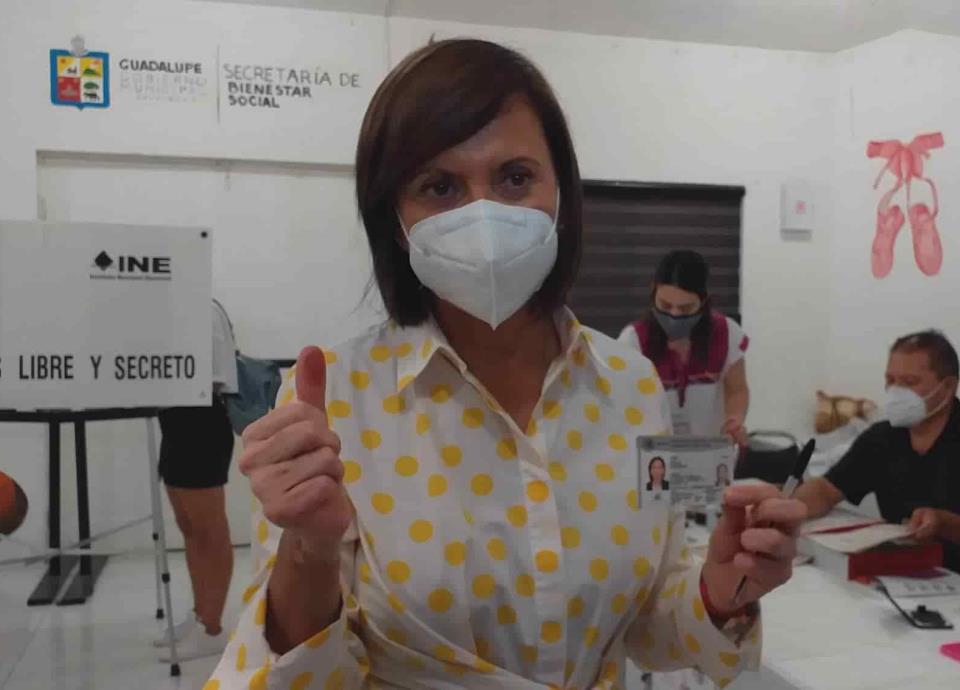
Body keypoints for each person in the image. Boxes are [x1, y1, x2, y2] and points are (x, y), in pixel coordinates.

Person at [208, 39, 805, 689]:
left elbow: (646, 625)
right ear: (396, 220)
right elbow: (302, 676)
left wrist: (719, 590)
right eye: (440, 186)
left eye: (515, 178)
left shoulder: (631, 387)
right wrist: (309, 551)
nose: (483, 216)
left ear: (562, 195)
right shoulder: (337, 401)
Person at [796, 330, 960, 573]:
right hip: (900, 572)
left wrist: (944, 523)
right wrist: (786, 504)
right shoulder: (882, 438)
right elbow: (826, 490)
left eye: (909, 382)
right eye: (890, 380)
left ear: (947, 387)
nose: (895, 391)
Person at [153, 299, 238, 661]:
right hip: (175, 421)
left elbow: (213, 374)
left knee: (209, 530)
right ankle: (201, 614)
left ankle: (212, 629)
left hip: (200, 421)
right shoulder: (173, 309)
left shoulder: (202, 308)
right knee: (189, 526)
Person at [619, 251, 750, 445]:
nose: (674, 315)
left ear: (704, 301)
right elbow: (623, 404)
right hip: (655, 455)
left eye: (685, 308)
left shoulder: (727, 332)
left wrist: (735, 420)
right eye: (665, 305)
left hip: (712, 451)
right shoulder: (632, 341)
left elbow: (737, 389)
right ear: (653, 292)